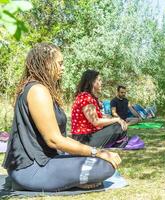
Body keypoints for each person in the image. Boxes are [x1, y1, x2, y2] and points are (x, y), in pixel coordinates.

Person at [2, 43, 121, 192]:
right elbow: (54, 140)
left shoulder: (37, 88)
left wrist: (94, 152)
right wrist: (98, 152)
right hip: (31, 169)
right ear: (46, 63)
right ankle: (70, 181)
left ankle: (73, 179)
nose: (63, 68)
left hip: (44, 162)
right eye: (60, 64)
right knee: (105, 166)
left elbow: (59, 138)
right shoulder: (38, 90)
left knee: (99, 160)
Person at [71, 70, 128, 148]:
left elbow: (97, 117)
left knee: (118, 123)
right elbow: (96, 121)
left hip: (88, 135)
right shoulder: (86, 97)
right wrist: (117, 119)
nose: (101, 83)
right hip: (84, 140)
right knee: (117, 126)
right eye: (99, 80)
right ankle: (119, 142)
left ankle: (118, 141)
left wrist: (112, 118)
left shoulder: (89, 97)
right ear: (92, 82)